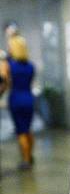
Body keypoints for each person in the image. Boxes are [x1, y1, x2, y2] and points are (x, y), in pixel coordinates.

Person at [0, 34, 35, 169]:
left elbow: (4, 82)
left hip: (16, 99)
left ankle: (26, 160)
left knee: (21, 131)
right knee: (28, 129)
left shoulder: (9, 65)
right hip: (28, 98)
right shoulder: (30, 66)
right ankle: (30, 155)